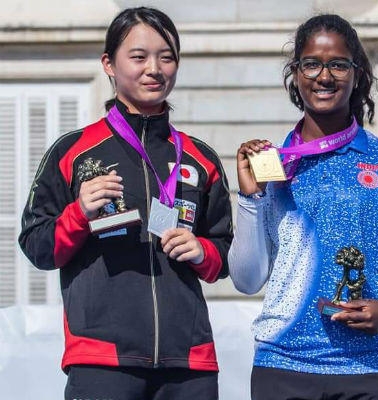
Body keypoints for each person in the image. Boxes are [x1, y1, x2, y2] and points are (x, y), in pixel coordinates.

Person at [18, 7, 232, 400]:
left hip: (189, 364)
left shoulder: (200, 158)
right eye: (138, 57)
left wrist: (202, 251)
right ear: (109, 64)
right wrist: (79, 214)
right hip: (101, 361)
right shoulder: (73, 151)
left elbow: (224, 254)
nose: (154, 69)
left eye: (166, 57)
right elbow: (37, 246)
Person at [228, 14, 378, 400]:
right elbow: (247, 280)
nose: (324, 76)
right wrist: (251, 199)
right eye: (311, 64)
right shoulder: (271, 165)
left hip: (370, 366)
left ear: (357, 74)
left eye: (338, 64)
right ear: (296, 72)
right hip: (282, 362)